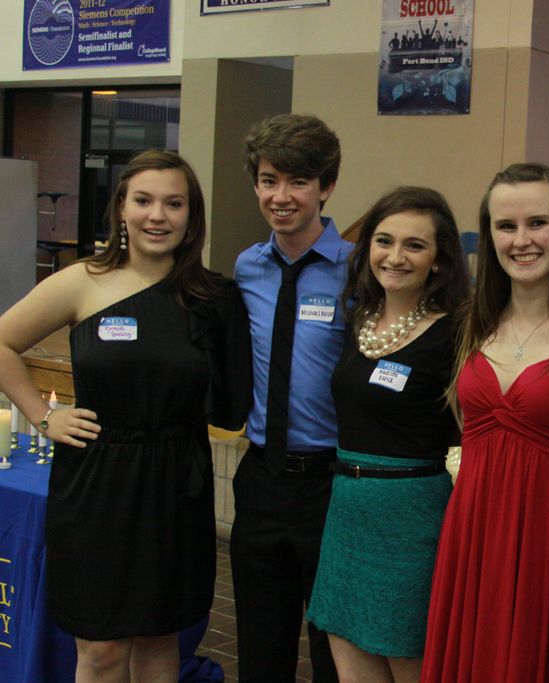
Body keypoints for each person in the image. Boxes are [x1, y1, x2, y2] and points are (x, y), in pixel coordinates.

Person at [0, 149, 251, 682]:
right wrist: (44, 417)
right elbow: (2, 343)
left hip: (176, 487)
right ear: (121, 208)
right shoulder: (82, 282)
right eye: (143, 200)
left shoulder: (214, 297)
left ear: (191, 215)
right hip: (97, 485)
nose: (157, 215)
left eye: (173, 203)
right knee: (101, 650)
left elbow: (233, 404)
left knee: (160, 642)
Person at [421, 162, 549, 682]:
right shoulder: (472, 323)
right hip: (471, 530)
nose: (522, 240)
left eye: (537, 222)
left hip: (546, 535)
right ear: (489, 235)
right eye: (506, 226)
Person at [305, 186, 468, 683]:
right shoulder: (360, 320)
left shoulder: (456, 333)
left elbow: (475, 431)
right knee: (348, 657)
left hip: (411, 521)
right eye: (384, 241)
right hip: (347, 511)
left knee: (409, 661)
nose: (395, 257)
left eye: (414, 245)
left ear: (439, 260)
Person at [231, 114, 350, 682]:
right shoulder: (247, 267)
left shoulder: (360, 271)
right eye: (268, 180)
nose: (281, 196)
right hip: (261, 478)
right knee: (261, 647)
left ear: (326, 187)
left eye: (298, 181)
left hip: (333, 484)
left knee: (334, 650)